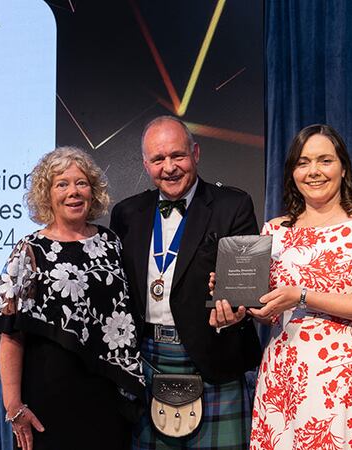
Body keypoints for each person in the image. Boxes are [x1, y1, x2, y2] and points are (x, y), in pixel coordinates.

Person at [211, 124, 352, 448]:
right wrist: (234, 296)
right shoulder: (274, 229)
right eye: (303, 162)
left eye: (324, 160)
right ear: (292, 173)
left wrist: (301, 296)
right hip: (287, 379)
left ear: (343, 167)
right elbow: (268, 311)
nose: (313, 171)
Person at [109, 116, 262, 449]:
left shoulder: (233, 205)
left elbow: (245, 289)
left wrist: (239, 311)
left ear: (195, 152)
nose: (169, 167)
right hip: (147, 359)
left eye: (177, 156)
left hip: (212, 356)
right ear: (145, 164)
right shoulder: (126, 213)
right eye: (158, 159)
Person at [0, 147, 144, 450]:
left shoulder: (112, 243)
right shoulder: (30, 250)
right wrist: (14, 406)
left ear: (93, 191)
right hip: (48, 400)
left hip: (106, 398)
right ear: (47, 195)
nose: (73, 192)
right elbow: (10, 335)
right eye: (62, 184)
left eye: (81, 183)